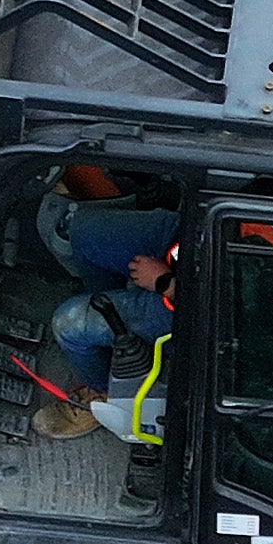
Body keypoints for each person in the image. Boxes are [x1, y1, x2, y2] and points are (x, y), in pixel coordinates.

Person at [34, 181, 182, 441]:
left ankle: (107, 393)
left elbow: (241, 313)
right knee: (80, 228)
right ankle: (112, 323)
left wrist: (166, 284)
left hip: (186, 304)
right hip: (188, 241)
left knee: (69, 323)